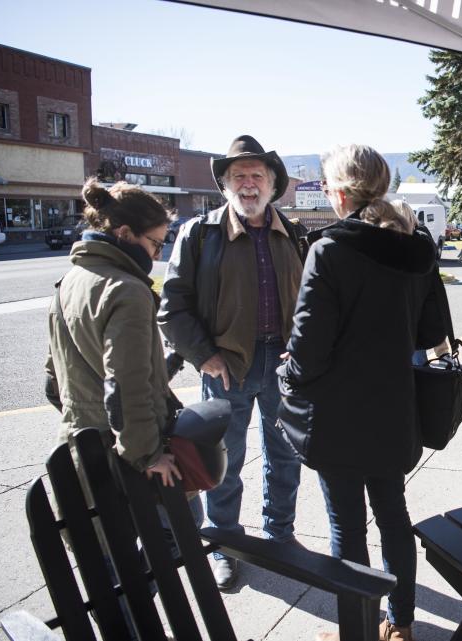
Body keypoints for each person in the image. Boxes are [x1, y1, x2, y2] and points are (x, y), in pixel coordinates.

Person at [277, 144, 444, 641]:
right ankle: (402, 625)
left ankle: (359, 632)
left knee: (347, 526)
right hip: (395, 408)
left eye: (327, 188)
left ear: (343, 193)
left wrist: (286, 378)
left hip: (339, 418)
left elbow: (307, 351)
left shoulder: (329, 250)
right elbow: (430, 330)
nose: (327, 196)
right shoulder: (418, 249)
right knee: (393, 516)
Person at [158, 135, 306, 590]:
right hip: (227, 367)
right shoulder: (200, 233)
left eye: (256, 175)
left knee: (286, 456)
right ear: (224, 184)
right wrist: (205, 356)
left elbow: (310, 303)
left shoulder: (294, 233)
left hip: (282, 367)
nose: (247, 183)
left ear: (272, 183)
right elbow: (172, 307)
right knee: (224, 463)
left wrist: (301, 352)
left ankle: (280, 534)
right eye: (238, 175)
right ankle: (224, 544)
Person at [46, 177, 180, 485]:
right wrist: (148, 454)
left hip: (80, 448)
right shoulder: (127, 290)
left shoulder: (68, 282)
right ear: (125, 234)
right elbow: (125, 386)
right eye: (156, 244)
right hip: (130, 460)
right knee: (176, 529)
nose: (158, 255)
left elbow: (53, 383)